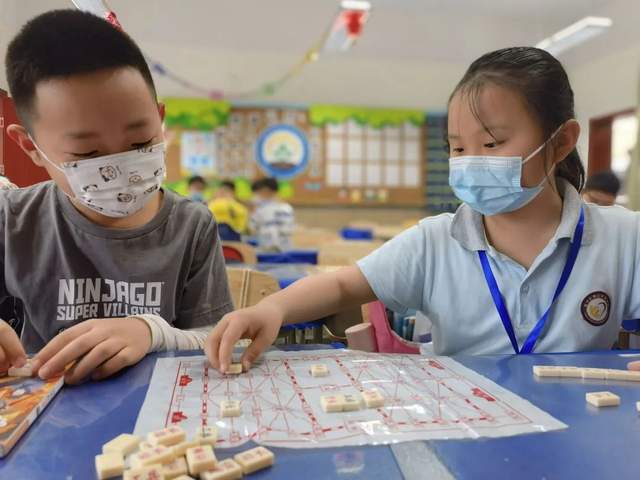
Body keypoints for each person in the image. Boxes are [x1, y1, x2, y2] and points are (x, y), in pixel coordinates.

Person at [205, 47, 640, 374]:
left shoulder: (621, 237)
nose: (471, 160)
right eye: (458, 148)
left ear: (561, 142)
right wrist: (271, 309)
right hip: (469, 424)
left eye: (492, 143)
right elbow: (341, 285)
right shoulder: (435, 241)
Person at [0, 10, 233, 383]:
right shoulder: (12, 219)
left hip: (159, 405)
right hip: (45, 404)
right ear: (30, 147)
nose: (121, 167)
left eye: (141, 142)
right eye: (88, 154)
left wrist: (153, 332)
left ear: (159, 119)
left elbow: (217, 339)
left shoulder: (191, 225)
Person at [249, 177, 294, 252]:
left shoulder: (261, 209)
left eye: (258, 193)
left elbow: (251, 228)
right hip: (283, 247)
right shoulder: (287, 207)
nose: (255, 197)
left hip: (270, 248)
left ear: (266, 191)